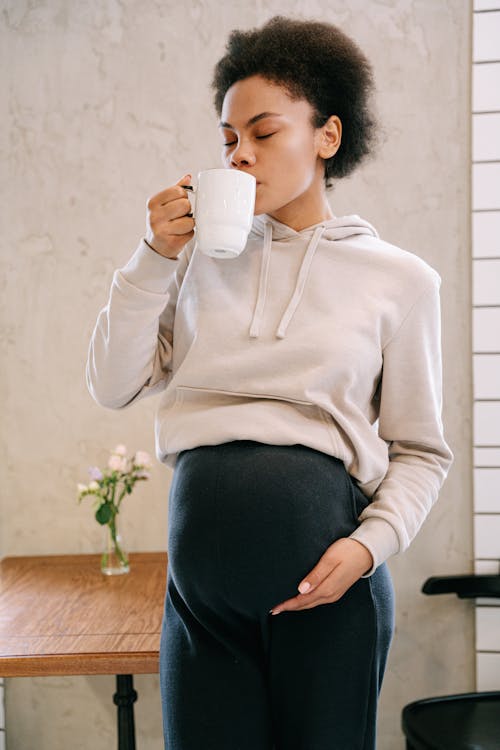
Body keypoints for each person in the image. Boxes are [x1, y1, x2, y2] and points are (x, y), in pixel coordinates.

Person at [86, 15, 454, 750]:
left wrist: (367, 548)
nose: (241, 156)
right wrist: (152, 256)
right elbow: (111, 383)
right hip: (202, 596)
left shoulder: (401, 281)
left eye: (264, 133)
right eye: (228, 140)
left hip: (331, 593)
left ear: (327, 136)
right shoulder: (189, 261)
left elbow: (421, 451)